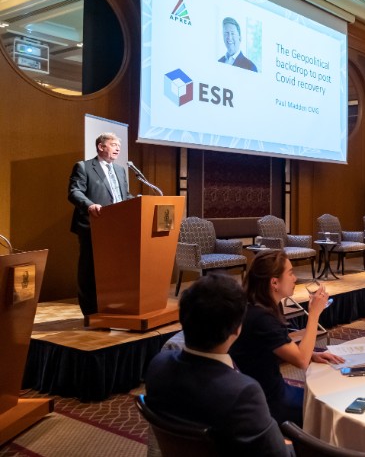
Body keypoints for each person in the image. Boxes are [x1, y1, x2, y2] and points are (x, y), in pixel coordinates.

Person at [145, 274, 290, 457]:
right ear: (237, 328)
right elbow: (278, 453)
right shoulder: (243, 391)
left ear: (183, 319)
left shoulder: (158, 366)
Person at [230, 250, 343, 427]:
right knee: (330, 409)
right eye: (290, 273)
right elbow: (301, 361)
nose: (295, 278)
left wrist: (312, 354)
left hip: (264, 390)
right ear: (274, 282)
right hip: (268, 401)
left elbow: (275, 346)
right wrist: (314, 314)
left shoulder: (261, 306)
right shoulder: (261, 317)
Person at [67, 132, 133, 316]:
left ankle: (111, 305)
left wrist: (138, 200)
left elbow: (123, 196)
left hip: (116, 227)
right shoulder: (84, 167)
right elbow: (74, 192)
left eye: (119, 146)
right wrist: (89, 205)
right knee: (90, 268)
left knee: (113, 268)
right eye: (114, 145)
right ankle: (90, 312)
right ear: (101, 146)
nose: (118, 148)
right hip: (93, 225)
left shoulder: (120, 170)